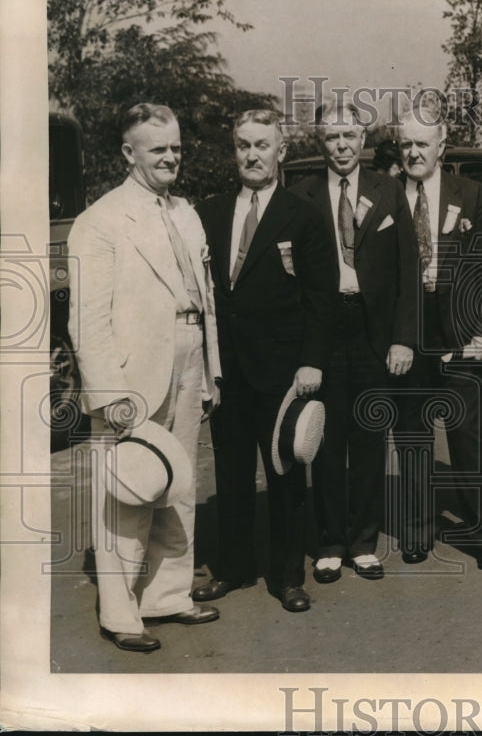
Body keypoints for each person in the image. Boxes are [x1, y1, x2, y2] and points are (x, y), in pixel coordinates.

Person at [68, 103, 222, 651]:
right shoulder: (100, 220)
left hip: (188, 360)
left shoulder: (185, 211)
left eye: (176, 147)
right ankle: (120, 611)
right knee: (126, 491)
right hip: (131, 377)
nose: (171, 158)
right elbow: (86, 318)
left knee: (178, 482)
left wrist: (210, 373)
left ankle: (168, 594)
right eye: (158, 149)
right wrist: (108, 393)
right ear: (129, 154)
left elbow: (205, 302)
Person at [195, 109, 336, 611]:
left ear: (281, 152)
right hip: (226, 370)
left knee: (284, 475)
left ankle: (286, 577)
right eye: (243, 145)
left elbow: (323, 297)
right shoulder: (209, 212)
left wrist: (311, 361)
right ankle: (232, 569)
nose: (251, 155)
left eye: (262, 145)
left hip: (282, 370)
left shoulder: (302, 215)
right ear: (233, 150)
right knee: (230, 474)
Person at [289, 100, 419, 581]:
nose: (341, 145)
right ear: (319, 142)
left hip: (373, 333)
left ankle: (364, 541)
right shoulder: (301, 196)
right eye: (331, 137)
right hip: (324, 330)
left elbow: (408, 269)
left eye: (349, 136)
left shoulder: (390, 191)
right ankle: (328, 541)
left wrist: (403, 339)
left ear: (362, 141)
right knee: (324, 437)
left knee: (368, 437)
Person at [391, 109, 482, 569]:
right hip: (406, 336)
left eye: (422, 143)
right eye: (406, 145)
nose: (414, 152)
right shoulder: (386, 196)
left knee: (469, 438)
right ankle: (418, 531)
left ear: (442, 145)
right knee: (413, 439)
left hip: (460, 334)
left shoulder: (472, 194)